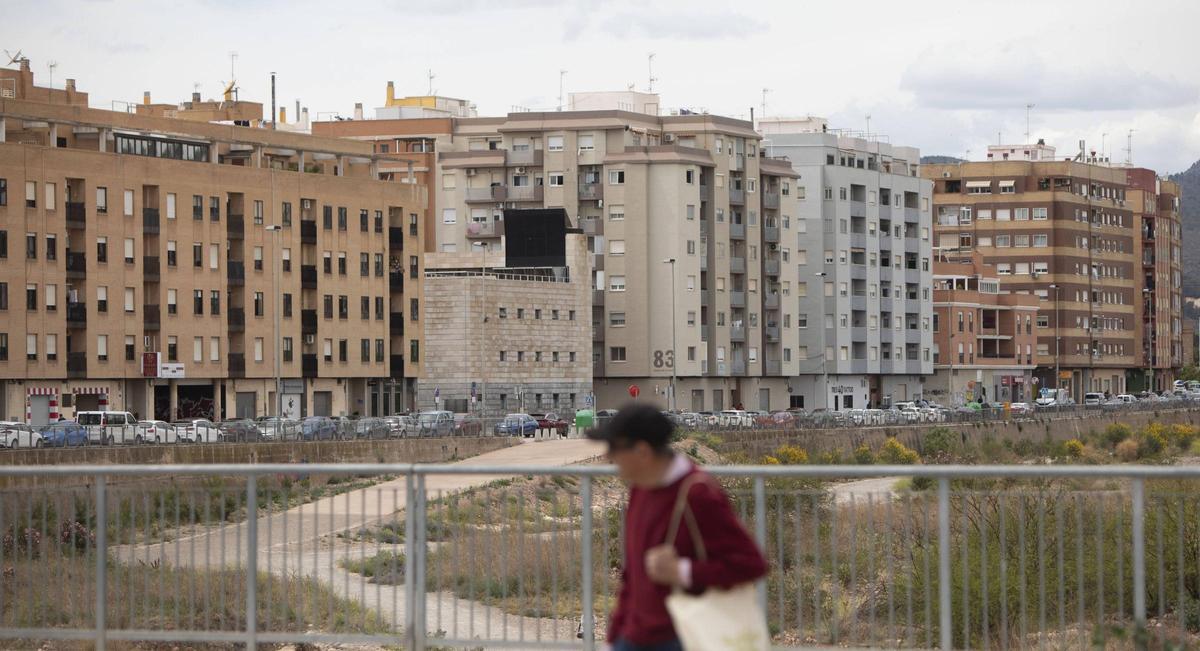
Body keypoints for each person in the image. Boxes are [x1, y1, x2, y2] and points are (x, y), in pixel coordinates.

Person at [589, 403, 767, 650]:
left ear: (642, 451)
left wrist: (683, 571)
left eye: (613, 448)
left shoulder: (698, 494)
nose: (608, 457)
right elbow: (632, 574)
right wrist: (614, 637)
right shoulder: (640, 488)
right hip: (634, 635)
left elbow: (751, 564)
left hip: (682, 636)